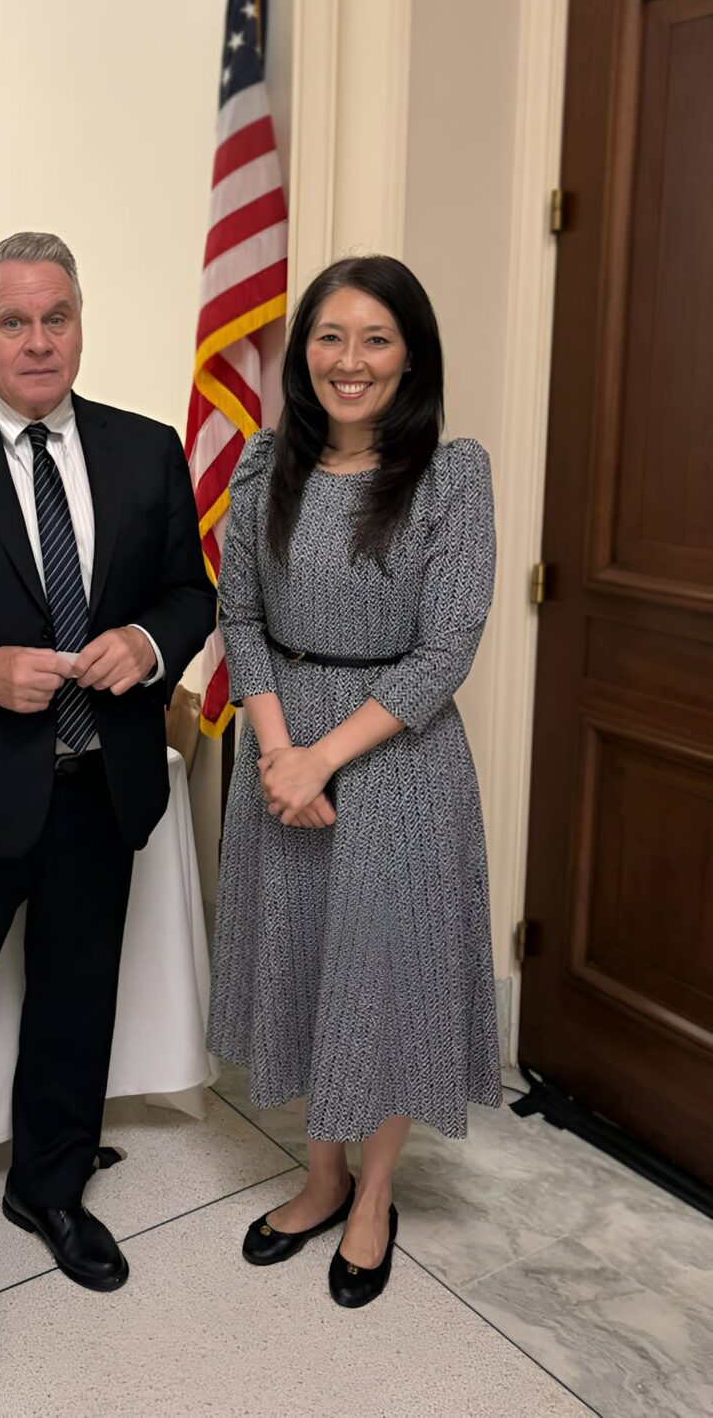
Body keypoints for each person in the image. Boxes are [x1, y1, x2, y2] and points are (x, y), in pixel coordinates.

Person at [0, 231, 215, 1363]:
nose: (38, 340)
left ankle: (51, 1187)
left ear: (81, 322)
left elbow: (190, 591)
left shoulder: (144, 448)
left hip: (99, 785)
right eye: (13, 322)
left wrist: (144, 639)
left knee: (78, 1005)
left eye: (56, 316)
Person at [208, 255, 503, 1310]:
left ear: (409, 355)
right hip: (281, 742)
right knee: (303, 964)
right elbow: (238, 616)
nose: (348, 360)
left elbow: (445, 649)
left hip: (396, 761)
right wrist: (279, 748)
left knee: (380, 978)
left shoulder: (449, 475)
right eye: (329, 337)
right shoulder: (259, 466)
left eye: (375, 339)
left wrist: (321, 759)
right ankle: (317, 1175)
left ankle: (372, 1193)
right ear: (304, 355)